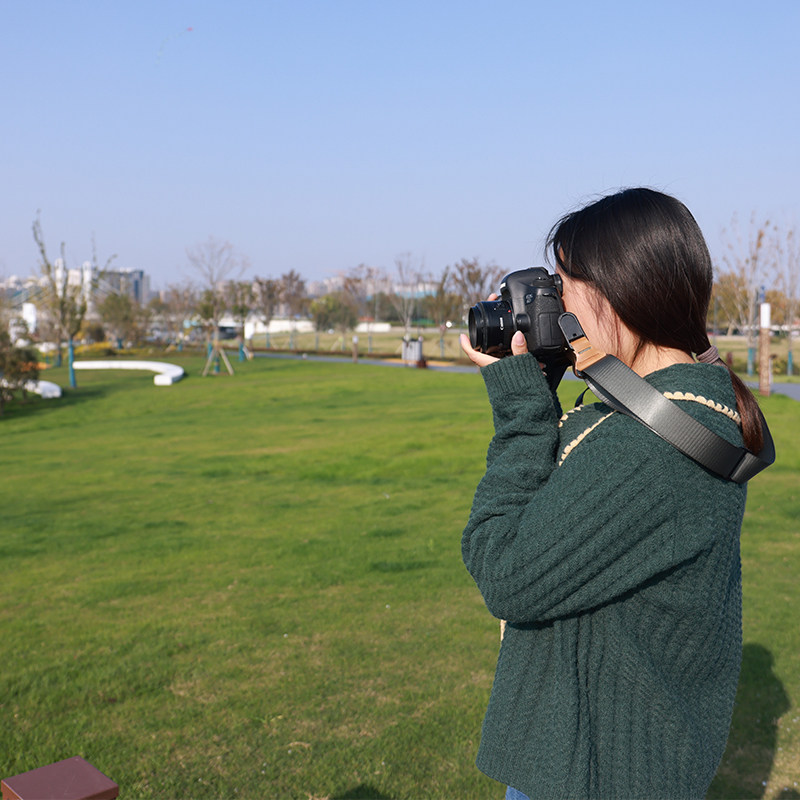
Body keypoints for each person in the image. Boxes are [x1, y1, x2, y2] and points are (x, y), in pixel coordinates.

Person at [459, 187, 762, 799]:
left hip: (596, 773)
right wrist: (548, 378)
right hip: (596, 757)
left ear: (619, 291)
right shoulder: (663, 411)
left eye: (562, 285)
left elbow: (505, 569)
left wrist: (521, 410)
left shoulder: (654, 444)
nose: (555, 303)